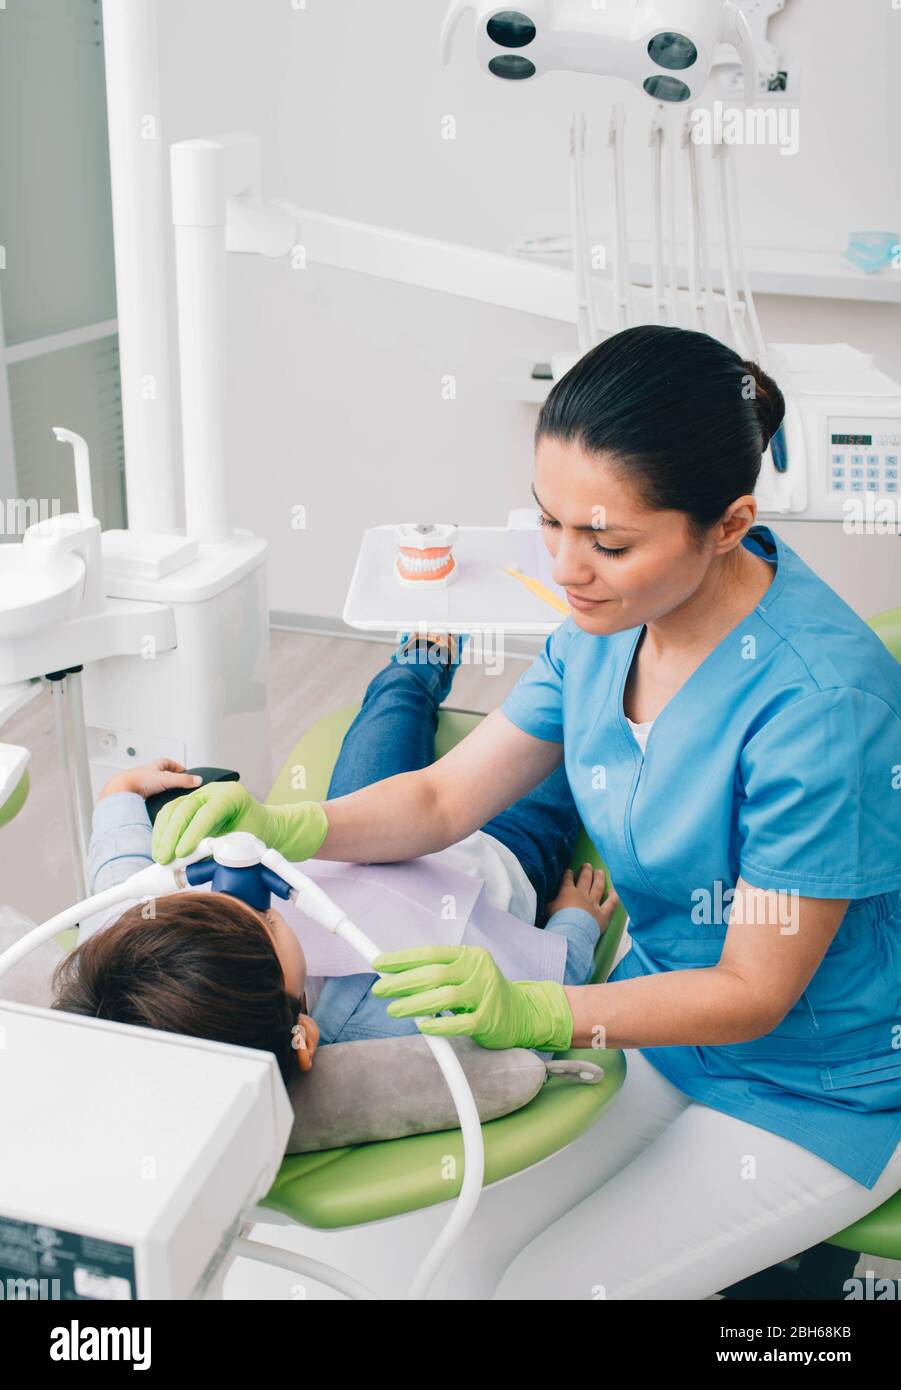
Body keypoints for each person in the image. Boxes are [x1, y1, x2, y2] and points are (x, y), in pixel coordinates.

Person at [156, 326, 901, 1299]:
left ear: (727, 524)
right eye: (549, 522)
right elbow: (440, 796)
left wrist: (540, 1009)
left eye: (608, 541)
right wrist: (288, 823)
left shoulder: (819, 708)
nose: (565, 566)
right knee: (442, 1259)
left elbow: (756, 988)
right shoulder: (602, 630)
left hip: (817, 1081)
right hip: (654, 1018)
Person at [53, 633, 616, 1086]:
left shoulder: (123, 954)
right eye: (266, 916)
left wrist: (121, 792)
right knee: (579, 730)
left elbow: (119, 867)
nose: (243, 880)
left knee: (393, 702)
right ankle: (611, 667)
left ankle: (422, 656)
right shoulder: (392, 1015)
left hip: (360, 828)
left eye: (217, 896)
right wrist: (577, 921)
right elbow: (536, 997)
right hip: (494, 857)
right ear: (304, 1036)